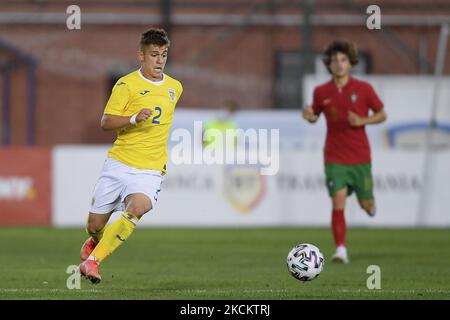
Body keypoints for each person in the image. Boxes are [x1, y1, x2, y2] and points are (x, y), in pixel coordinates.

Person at [78, 28, 183, 283]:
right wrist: (134, 118)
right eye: (154, 55)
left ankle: (93, 262)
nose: (159, 61)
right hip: (120, 164)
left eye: (164, 55)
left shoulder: (175, 88)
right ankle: (94, 241)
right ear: (141, 56)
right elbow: (106, 122)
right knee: (95, 225)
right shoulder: (126, 84)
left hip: (150, 169)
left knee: (139, 206)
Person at [302, 40, 387, 264]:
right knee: (338, 200)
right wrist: (309, 115)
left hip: (360, 157)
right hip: (334, 157)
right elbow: (314, 116)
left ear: (350, 63)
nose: (339, 64)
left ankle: (370, 204)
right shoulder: (321, 91)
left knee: (365, 205)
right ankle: (341, 249)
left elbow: (382, 114)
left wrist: (363, 120)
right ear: (328, 65)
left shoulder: (364, 89)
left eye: (343, 60)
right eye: (334, 60)